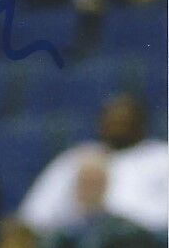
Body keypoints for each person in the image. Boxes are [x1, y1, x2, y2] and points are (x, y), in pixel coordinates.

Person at [19, 92, 168, 235]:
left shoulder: (162, 157)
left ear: (141, 123)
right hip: (79, 239)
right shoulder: (77, 157)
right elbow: (34, 215)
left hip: (143, 241)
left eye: (125, 122)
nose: (118, 127)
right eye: (112, 122)